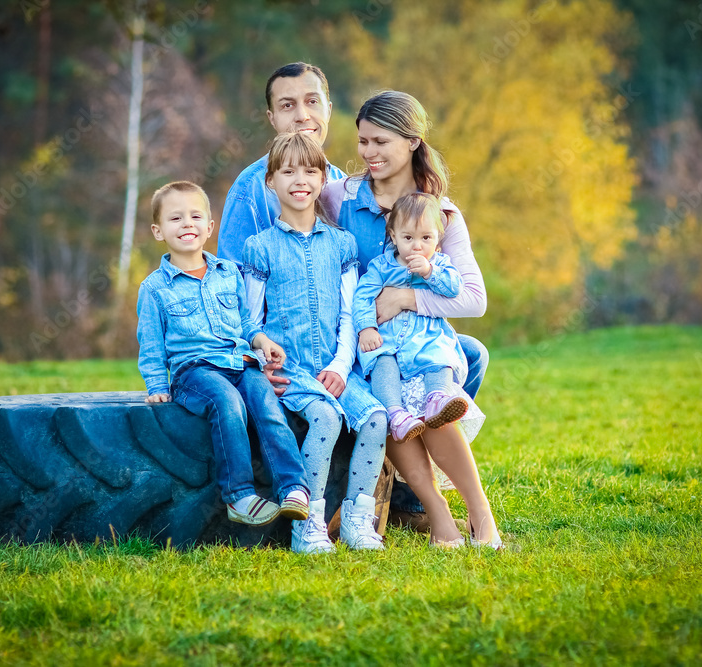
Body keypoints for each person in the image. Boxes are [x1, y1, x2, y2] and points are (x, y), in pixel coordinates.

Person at [322, 91, 502, 549]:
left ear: (413, 141)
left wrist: (404, 298)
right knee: (391, 401)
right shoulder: (337, 199)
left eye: (380, 141)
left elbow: (474, 300)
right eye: (362, 141)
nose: (368, 153)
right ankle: (436, 515)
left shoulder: (439, 213)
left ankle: (481, 517)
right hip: (361, 344)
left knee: (433, 400)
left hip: (417, 339)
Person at [243, 132, 389, 553]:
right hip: (292, 372)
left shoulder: (341, 244)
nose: (299, 179)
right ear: (271, 181)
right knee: (324, 418)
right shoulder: (260, 248)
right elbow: (252, 321)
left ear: (324, 178)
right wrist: (262, 359)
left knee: (377, 418)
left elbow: (350, 313)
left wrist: (343, 366)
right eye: (287, 171)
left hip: (335, 364)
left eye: (310, 170)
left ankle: (359, 521)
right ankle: (308, 524)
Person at [136, 180, 310, 528]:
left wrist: (261, 341)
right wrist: (157, 384)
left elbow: (245, 321)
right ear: (158, 231)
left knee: (266, 405)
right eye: (176, 219)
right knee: (228, 403)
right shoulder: (154, 287)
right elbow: (151, 343)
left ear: (210, 226)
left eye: (196, 216)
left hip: (240, 363)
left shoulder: (227, 272)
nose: (187, 224)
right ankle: (240, 495)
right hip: (195, 373)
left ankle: (294, 488)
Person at [355, 192, 469, 443]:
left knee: (440, 356)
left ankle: (437, 399)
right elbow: (362, 297)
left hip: (426, 336)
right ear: (394, 236)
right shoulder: (381, 267)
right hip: (387, 337)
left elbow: (454, 288)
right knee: (382, 361)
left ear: (438, 238)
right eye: (408, 238)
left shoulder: (440, 263)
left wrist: (430, 273)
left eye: (426, 238)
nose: (417, 246)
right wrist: (366, 328)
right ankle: (396, 415)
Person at [217, 61, 346, 265]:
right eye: (287, 105)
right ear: (272, 118)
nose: (302, 116)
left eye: (312, 101)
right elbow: (234, 281)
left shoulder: (346, 186)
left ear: (328, 110)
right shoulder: (250, 189)